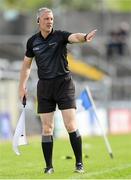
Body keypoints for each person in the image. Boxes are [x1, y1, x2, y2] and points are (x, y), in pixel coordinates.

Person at [19, 7, 97, 174]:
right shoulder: (32, 42)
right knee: (47, 128)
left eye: (52, 18)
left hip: (64, 84)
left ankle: (79, 164)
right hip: (45, 87)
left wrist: (84, 37)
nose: (50, 21)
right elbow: (26, 65)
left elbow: (73, 37)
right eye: (46, 19)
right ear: (38, 21)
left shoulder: (60, 36)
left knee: (70, 125)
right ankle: (49, 167)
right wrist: (22, 86)